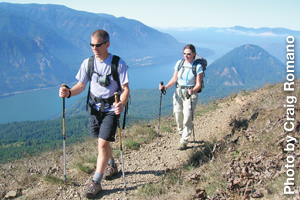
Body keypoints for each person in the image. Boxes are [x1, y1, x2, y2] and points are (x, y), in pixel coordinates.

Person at [59, 29, 130, 198]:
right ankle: (112, 165)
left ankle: (96, 182)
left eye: (98, 45)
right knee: (102, 142)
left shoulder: (118, 63)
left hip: (111, 109)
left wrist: (121, 103)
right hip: (94, 108)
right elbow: (81, 85)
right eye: (92, 45)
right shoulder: (88, 63)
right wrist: (68, 92)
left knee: (102, 144)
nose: (94, 48)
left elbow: (125, 89)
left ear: (107, 44)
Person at [159, 44, 203, 150]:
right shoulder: (180, 63)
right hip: (178, 92)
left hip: (190, 94)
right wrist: (165, 87)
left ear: (194, 54)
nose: (186, 56)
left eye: (189, 54)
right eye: (184, 53)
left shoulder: (198, 66)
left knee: (187, 117)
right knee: (178, 115)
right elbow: (174, 79)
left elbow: (198, 84)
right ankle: (182, 133)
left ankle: (184, 141)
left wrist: (193, 91)